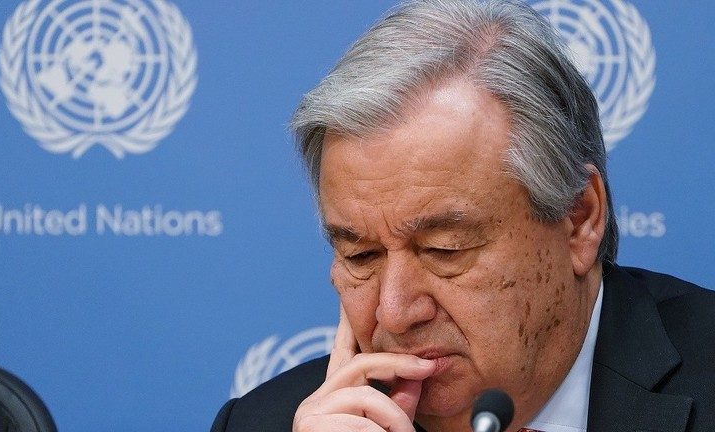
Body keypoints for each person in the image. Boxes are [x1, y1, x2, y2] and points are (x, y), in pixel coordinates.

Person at [211, 0, 715, 431]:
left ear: (579, 219)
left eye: (444, 250)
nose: (394, 312)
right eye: (360, 256)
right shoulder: (266, 421)